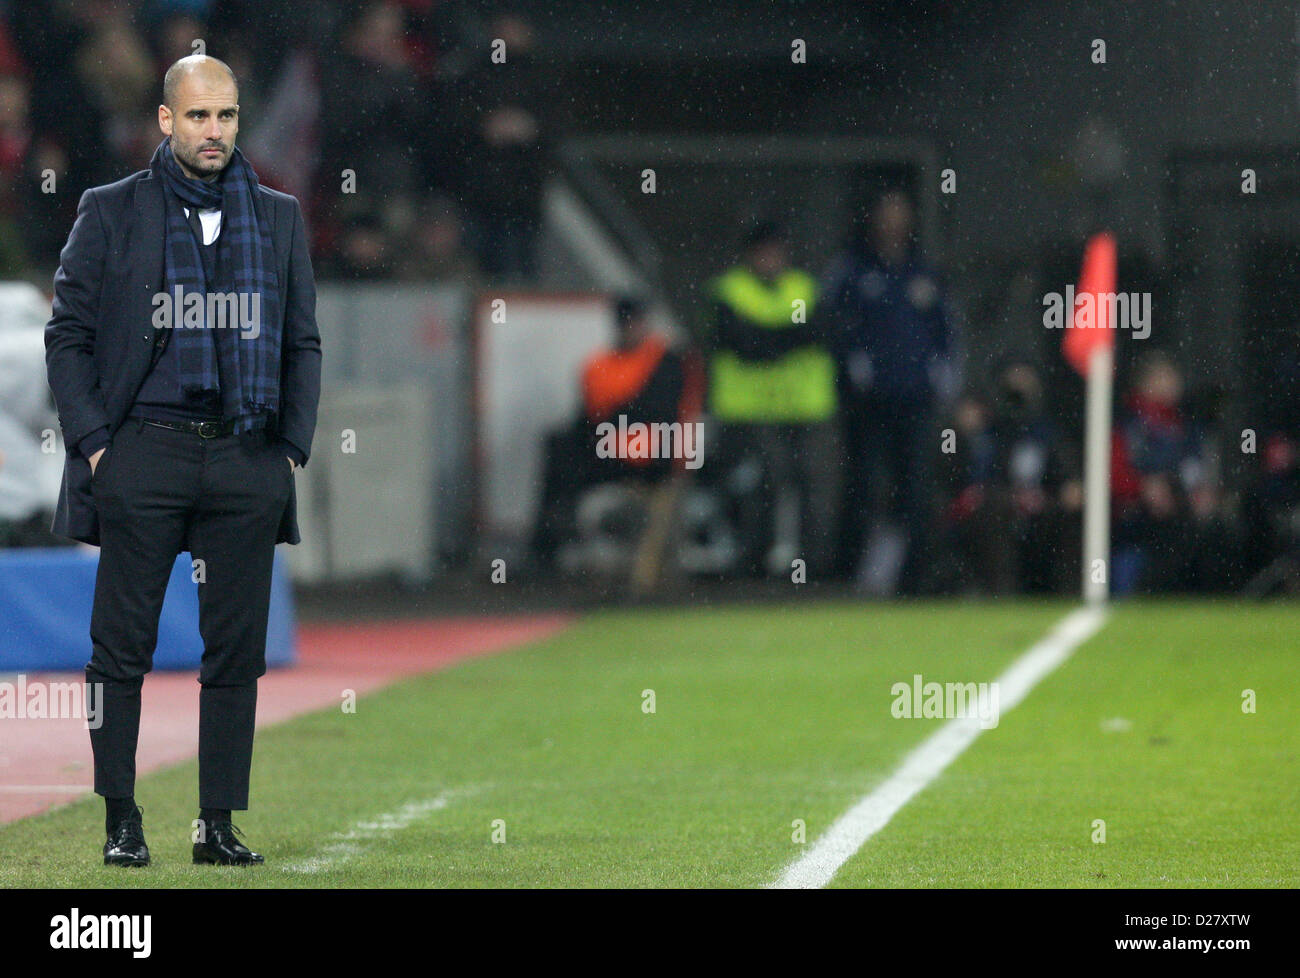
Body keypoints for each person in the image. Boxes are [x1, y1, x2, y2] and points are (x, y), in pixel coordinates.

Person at [44, 55, 321, 867]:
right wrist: (97, 446)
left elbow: (301, 340)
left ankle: (216, 824)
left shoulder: (278, 217)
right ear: (166, 121)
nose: (215, 131)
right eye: (198, 116)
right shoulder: (110, 210)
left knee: (236, 652)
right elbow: (69, 337)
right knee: (118, 650)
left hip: (246, 459)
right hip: (142, 456)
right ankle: (120, 819)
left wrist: (290, 450)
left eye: (227, 116)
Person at [822, 190, 954, 594]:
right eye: (887, 213)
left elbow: (946, 333)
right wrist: (854, 370)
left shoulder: (923, 273)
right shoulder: (852, 270)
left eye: (901, 212)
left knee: (914, 487)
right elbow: (832, 325)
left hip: (915, 400)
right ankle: (849, 574)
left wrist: (942, 378)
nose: (894, 221)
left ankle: (910, 578)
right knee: (861, 485)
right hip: (867, 404)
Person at [707, 222, 839, 578]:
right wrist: (788, 337)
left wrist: (767, 337)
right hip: (751, 412)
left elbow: (818, 332)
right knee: (757, 488)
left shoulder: (804, 288)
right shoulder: (731, 291)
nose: (770, 259)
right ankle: (754, 563)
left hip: (804, 408)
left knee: (811, 489)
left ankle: (812, 566)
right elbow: (744, 343)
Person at [530, 296, 698, 567]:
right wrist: (618, 417)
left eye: (636, 321)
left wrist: (615, 416)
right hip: (612, 449)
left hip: (651, 455)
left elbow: (658, 412)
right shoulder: (599, 365)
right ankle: (549, 545)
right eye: (626, 322)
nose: (631, 328)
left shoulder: (664, 359)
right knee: (559, 448)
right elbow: (588, 417)